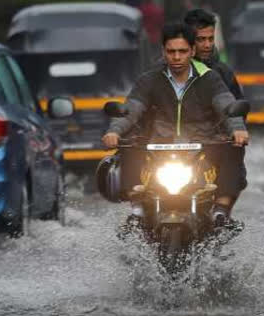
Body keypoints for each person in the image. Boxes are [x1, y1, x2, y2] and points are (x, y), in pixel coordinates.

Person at [101, 23, 249, 226]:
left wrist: (238, 129)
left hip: (203, 147)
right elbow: (131, 109)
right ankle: (137, 211)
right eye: (171, 51)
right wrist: (114, 132)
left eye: (182, 51)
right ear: (163, 51)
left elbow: (226, 105)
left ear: (193, 51)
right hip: (159, 148)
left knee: (234, 149)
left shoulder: (209, 78)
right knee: (129, 147)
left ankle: (221, 212)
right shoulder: (150, 80)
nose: (176, 57)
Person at [183, 8, 243, 100]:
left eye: (210, 39)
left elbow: (238, 109)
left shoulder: (224, 72)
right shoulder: (170, 70)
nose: (207, 45)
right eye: (201, 39)